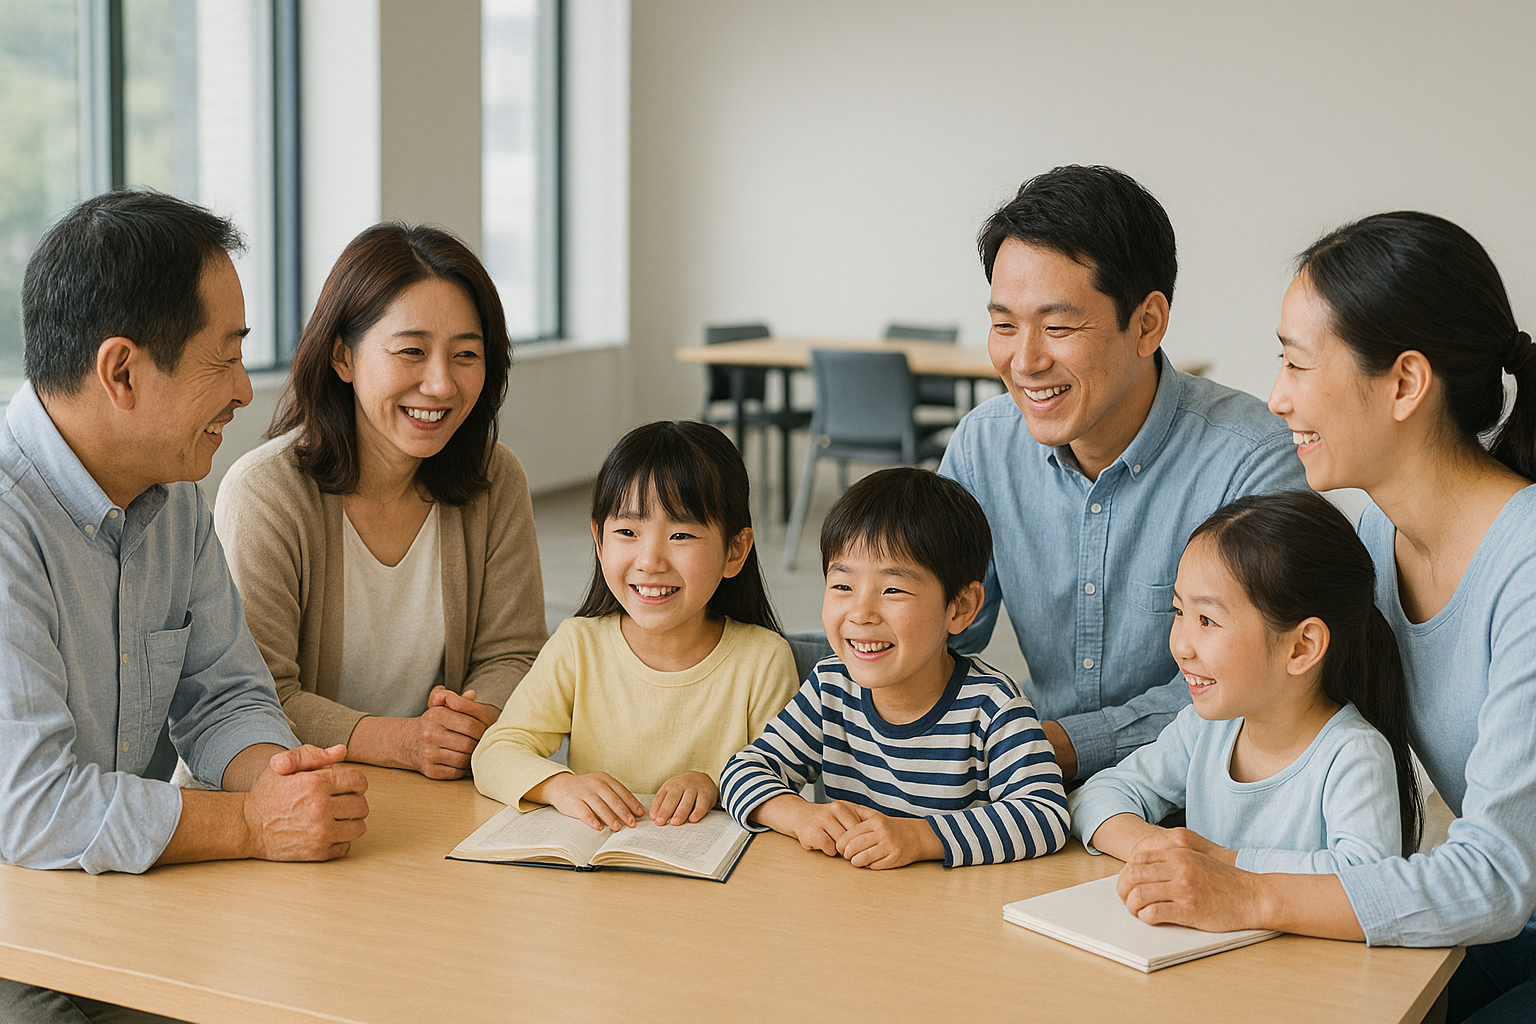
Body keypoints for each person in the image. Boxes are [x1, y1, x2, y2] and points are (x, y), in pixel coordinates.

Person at [1115, 212, 1536, 1024]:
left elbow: (1494, 879)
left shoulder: (1524, 563)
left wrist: (1250, 889)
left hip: (1507, 906)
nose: (1276, 397)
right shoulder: (1375, 537)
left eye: (1296, 363)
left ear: (1406, 384)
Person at [0, 191, 368, 1020]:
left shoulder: (171, 492)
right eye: (224, 357)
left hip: (121, 895)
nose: (244, 389)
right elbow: (33, 809)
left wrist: (282, 781)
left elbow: (227, 695)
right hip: (19, 928)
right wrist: (250, 827)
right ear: (122, 371)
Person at [939, 165, 1308, 781]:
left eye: (1057, 327)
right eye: (1004, 325)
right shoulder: (984, 444)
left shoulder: (1251, 461)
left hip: (1203, 797)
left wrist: (1066, 743)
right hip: (1033, 780)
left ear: (1148, 323)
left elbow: (1259, 683)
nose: (1024, 361)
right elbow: (939, 627)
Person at [215, 224, 547, 780]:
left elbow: (514, 655)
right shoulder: (265, 495)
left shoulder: (495, 478)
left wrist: (468, 726)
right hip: (288, 799)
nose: (441, 384)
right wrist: (402, 741)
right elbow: (252, 698)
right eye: (411, 351)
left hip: (434, 797)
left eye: (466, 354)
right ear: (342, 357)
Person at [720, 467, 1068, 869]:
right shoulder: (831, 687)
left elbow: (1045, 815)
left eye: (893, 590)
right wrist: (802, 816)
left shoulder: (992, 706)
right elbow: (742, 770)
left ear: (961, 608)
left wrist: (922, 835)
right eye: (842, 586)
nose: (861, 613)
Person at [471, 420, 799, 829]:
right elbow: (494, 753)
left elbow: (784, 784)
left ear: (735, 551)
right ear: (599, 539)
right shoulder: (578, 646)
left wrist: (715, 783)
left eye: (680, 535)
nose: (650, 561)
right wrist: (560, 785)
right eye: (627, 531)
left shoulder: (763, 660)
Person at [1071, 490, 1419, 872]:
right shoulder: (1204, 730)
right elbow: (1095, 797)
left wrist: (1220, 865)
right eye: (1179, 611)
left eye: (1207, 620)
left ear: (1302, 647)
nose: (1181, 645)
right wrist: (1166, 851)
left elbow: (1366, 878)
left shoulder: (1353, 755)